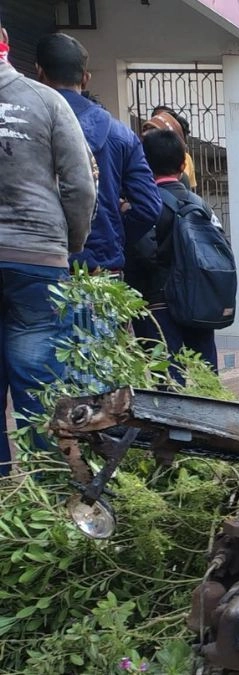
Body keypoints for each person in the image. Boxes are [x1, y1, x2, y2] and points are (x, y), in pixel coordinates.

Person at [0, 13, 98, 475]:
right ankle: (48, 493)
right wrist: (69, 244)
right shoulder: (46, 101)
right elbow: (81, 187)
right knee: (39, 387)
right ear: (5, 40)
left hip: (35, 257)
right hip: (36, 259)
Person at [35, 33, 160, 273]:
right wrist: (113, 235)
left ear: (39, 73)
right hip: (102, 269)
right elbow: (148, 207)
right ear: (85, 78)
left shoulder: (25, 126)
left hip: (38, 265)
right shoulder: (121, 135)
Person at [126, 128, 221, 379]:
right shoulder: (202, 206)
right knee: (206, 377)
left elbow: (142, 252)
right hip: (199, 302)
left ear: (144, 164)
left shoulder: (144, 204)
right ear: (182, 165)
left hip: (158, 301)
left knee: (169, 381)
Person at [142, 106, 197, 189]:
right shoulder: (137, 165)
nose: (147, 135)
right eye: (145, 130)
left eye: (154, 131)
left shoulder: (180, 176)